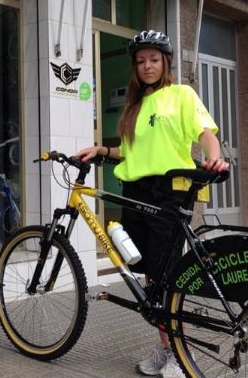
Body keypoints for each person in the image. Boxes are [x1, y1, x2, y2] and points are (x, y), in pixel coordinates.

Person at [75, 30, 229, 378]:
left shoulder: (181, 95)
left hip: (169, 192)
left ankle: (178, 353)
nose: (147, 66)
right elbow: (130, 153)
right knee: (151, 276)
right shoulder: (135, 107)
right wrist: (101, 151)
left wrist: (214, 158)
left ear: (166, 63)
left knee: (168, 276)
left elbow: (206, 133)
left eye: (154, 59)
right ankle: (165, 346)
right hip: (136, 191)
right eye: (141, 60)